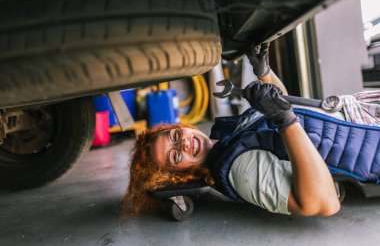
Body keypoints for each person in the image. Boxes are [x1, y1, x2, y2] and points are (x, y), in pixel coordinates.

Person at [121, 43, 379, 217]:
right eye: (176, 156)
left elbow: (293, 112)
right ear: (183, 176)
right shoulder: (238, 169)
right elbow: (322, 202)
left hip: (361, 114)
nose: (185, 144)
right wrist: (283, 118)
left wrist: (264, 73)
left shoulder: (226, 137)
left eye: (176, 136)